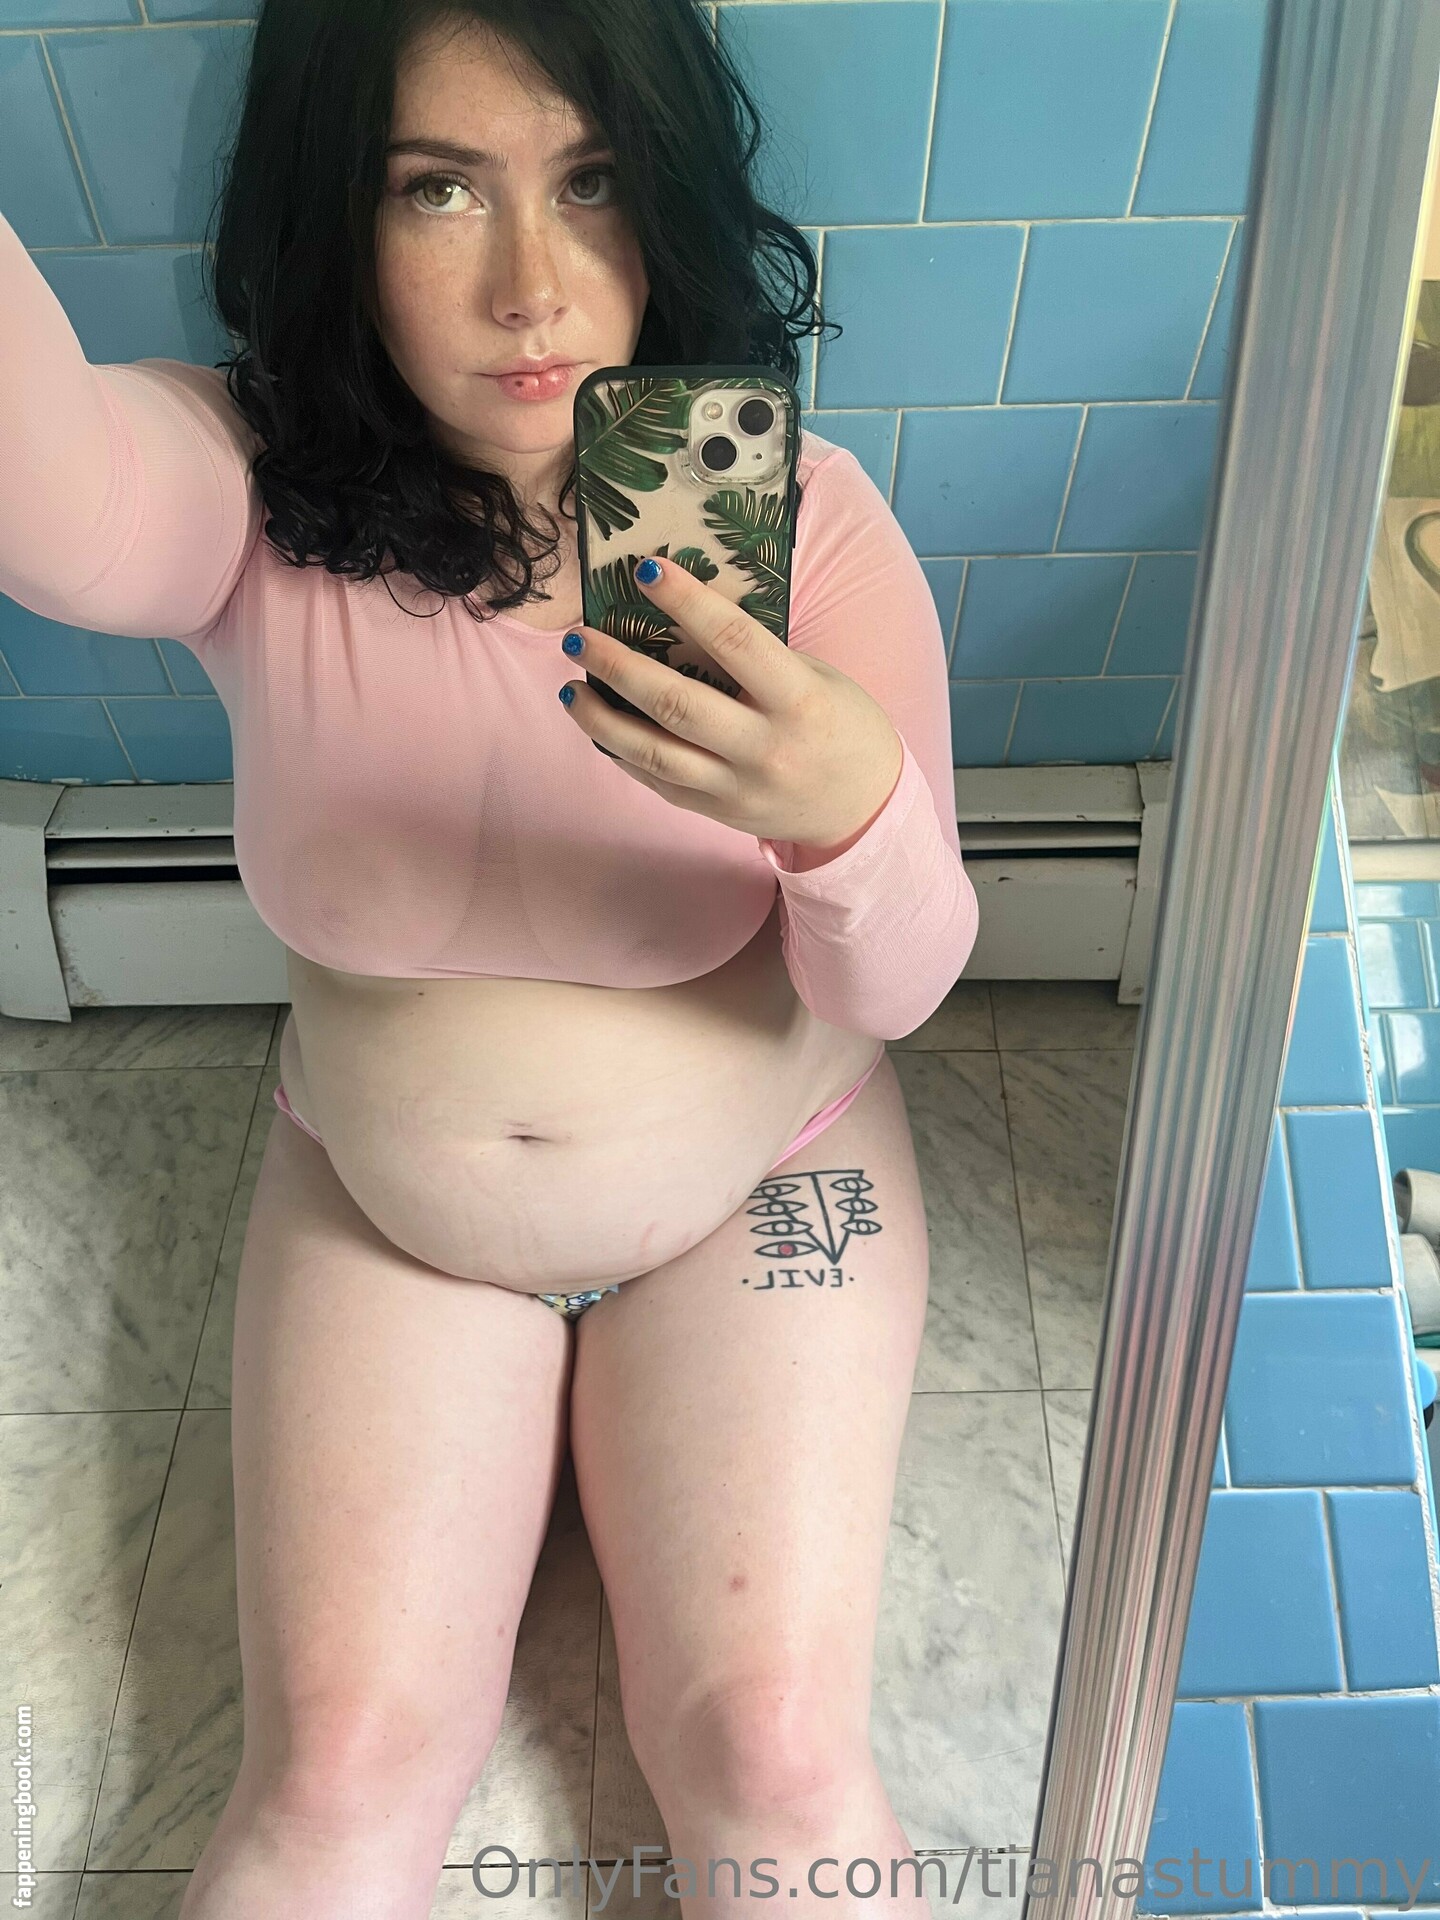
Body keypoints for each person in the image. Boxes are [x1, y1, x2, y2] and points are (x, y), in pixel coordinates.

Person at [0, 0, 979, 1912]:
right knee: (337, 1773)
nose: (534, 286)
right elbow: (52, 505)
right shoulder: (251, 493)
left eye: (590, 182)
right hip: (391, 1215)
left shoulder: (794, 527)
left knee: (774, 1754)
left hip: (763, 1189)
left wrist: (847, 810)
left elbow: (903, 983)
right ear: (336, 218)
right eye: (438, 191)